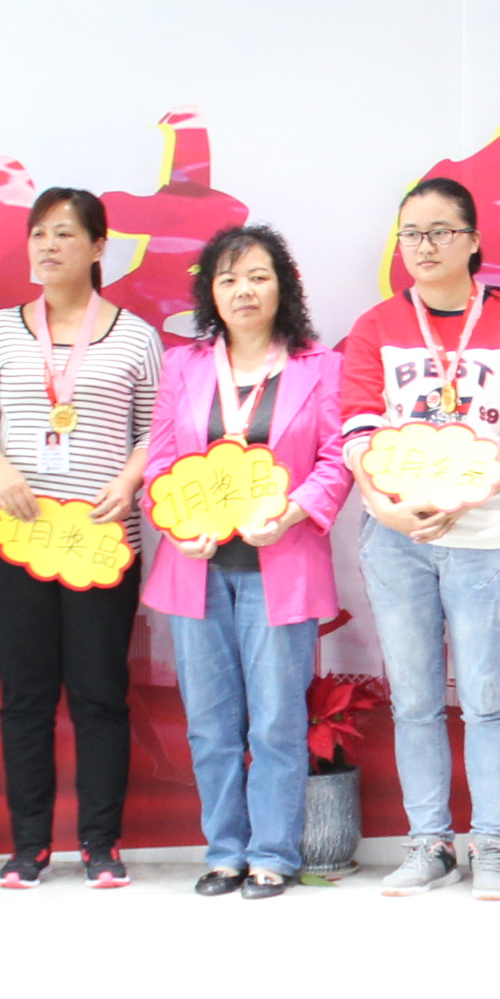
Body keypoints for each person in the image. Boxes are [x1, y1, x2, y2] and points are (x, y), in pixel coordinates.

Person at [340, 175, 500, 899]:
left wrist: (477, 489)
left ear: (472, 241)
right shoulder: (376, 325)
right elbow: (357, 429)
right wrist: (386, 508)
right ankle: (429, 843)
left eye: (439, 232)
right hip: (396, 538)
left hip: (489, 537)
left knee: (489, 699)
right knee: (414, 700)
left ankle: (492, 844)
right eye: (411, 233)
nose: (423, 246)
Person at [0, 187, 165, 891]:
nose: (48, 246)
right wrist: (1, 473)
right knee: (26, 696)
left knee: (100, 693)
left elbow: (156, 432)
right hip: (16, 538)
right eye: (39, 233)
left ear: (100, 247)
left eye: (66, 234)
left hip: (102, 541)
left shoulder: (135, 336)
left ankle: (101, 843)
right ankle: (29, 845)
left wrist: (129, 481)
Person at [145, 224, 348, 900]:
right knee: (210, 724)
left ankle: (272, 854)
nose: (243, 291)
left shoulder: (319, 366)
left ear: (283, 286)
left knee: (276, 721)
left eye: (258, 276)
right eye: (228, 279)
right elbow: (161, 463)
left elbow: (335, 461)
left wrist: (290, 513)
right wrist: (176, 526)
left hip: (280, 563)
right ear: (211, 292)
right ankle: (224, 852)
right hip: (197, 566)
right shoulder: (184, 366)